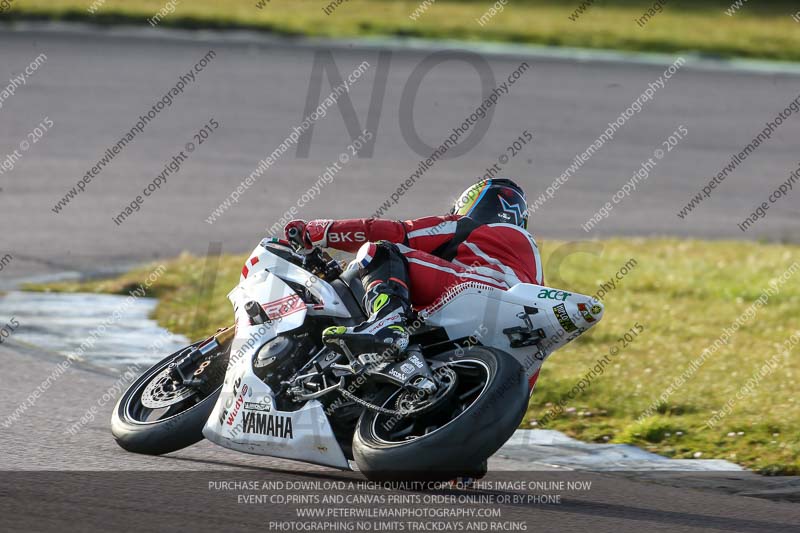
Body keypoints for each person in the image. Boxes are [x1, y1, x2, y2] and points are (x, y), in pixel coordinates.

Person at [284, 178, 543, 356]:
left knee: (381, 249)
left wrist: (323, 232)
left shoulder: (467, 226)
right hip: (509, 329)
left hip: (470, 291)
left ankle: (386, 322)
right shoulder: (532, 258)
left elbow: (400, 233)